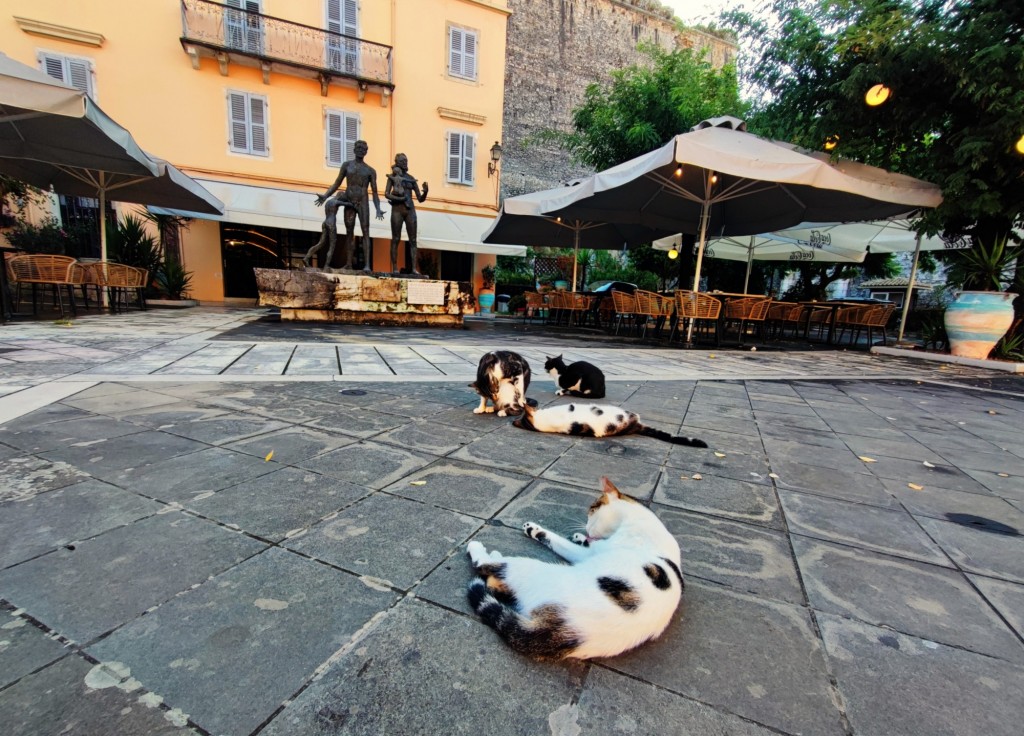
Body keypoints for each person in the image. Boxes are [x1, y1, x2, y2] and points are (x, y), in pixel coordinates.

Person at [307, 139, 384, 271]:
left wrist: (378, 208)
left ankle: (367, 265)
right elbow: (337, 183)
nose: (360, 150)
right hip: (349, 201)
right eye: (358, 148)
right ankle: (349, 263)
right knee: (349, 233)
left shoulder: (370, 171)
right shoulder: (346, 165)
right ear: (354, 150)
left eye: (363, 149)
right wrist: (325, 196)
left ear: (366, 152)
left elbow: (375, 192)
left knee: (366, 232)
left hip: (363, 202)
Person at [384, 153, 428, 274]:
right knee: (396, 238)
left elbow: (420, 199)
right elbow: (387, 194)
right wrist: (400, 199)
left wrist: (425, 192)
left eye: (406, 160)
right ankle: (394, 267)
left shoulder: (411, 178)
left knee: (413, 240)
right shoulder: (392, 177)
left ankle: (413, 268)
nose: (405, 162)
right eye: (402, 161)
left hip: (410, 210)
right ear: (397, 163)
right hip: (397, 209)